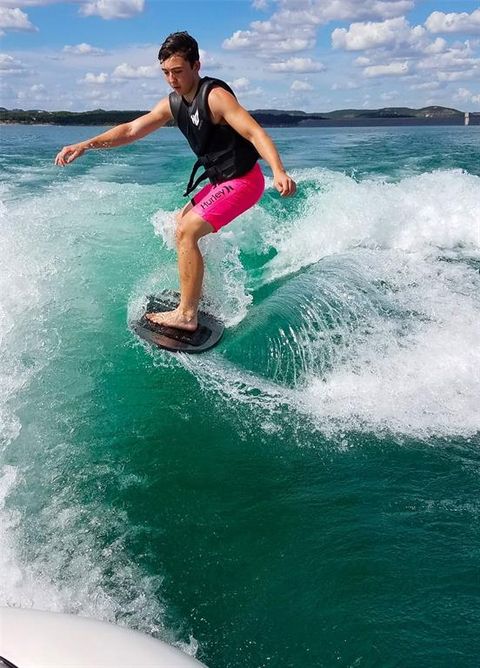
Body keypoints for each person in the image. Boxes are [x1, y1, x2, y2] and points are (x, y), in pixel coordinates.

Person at [55, 32, 296, 331]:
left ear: (196, 65)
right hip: (221, 182)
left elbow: (254, 133)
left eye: (178, 71)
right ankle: (200, 296)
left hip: (244, 181)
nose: (172, 79)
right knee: (176, 223)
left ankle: (187, 315)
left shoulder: (215, 97)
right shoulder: (174, 103)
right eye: (166, 73)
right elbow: (131, 130)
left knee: (187, 231)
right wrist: (85, 144)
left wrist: (279, 170)